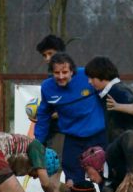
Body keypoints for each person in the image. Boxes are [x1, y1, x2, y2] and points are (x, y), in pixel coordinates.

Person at [34, 53, 106, 184]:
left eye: (65, 72)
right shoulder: (47, 88)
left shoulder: (87, 76)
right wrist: (38, 141)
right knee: (72, 180)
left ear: (72, 71)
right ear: (52, 72)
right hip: (72, 137)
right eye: (57, 73)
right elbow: (43, 115)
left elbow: (108, 89)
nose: (61, 76)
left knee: (104, 176)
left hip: (98, 135)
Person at [85, 56, 133, 143]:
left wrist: (118, 106)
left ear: (102, 75)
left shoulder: (118, 90)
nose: (89, 82)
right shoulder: (106, 92)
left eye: (92, 78)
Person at [34, 34, 66, 156]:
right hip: (52, 130)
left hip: (67, 132)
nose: (47, 58)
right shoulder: (48, 81)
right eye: (44, 55)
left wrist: (59, 113)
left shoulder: (75, 77)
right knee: (51, 168)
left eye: (50, 54)